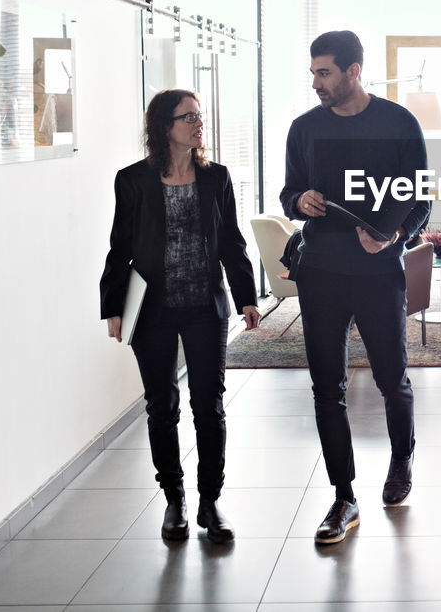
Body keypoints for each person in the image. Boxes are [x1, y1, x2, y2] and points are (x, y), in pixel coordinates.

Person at [280, 30, 431, 544]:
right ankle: (343, 496)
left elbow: (421, 201)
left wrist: (395, 234)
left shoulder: (398, 123)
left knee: (393, 379)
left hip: (378, 274)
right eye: (313, 73)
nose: (316, 82)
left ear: (353, 70)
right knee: (328, 389)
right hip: (320, 273)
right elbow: (287, 192)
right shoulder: (303, 129)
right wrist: (300, 201)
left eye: (324, 72)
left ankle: (402, 460)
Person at [99, 89, 260, 543]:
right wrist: (112, 305)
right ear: (164, 127)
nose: (198, 123)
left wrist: (247, 295)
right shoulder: (132, 180)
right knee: (161, 405)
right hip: (153, 310)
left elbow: (231, 241)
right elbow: (121, 248)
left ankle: (210, 500)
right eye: (188, 117)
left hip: (205, 307)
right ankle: (174, 499)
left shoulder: (217, 178)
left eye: (199, 116)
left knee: (208, 406)